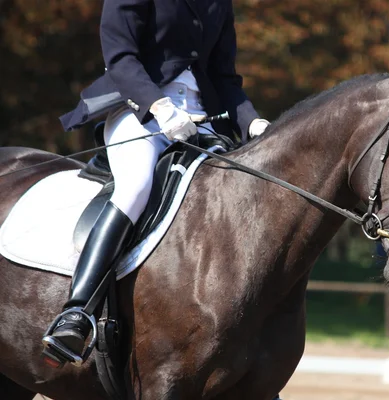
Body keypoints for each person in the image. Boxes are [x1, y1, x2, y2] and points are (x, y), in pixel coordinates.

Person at [41, 0, 269, 367]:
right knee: (136, 186)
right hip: (140, 112)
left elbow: (224, 76)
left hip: (202, 120)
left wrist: (253, 123)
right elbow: (121, 59)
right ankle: (77, 311)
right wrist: (161, 107)